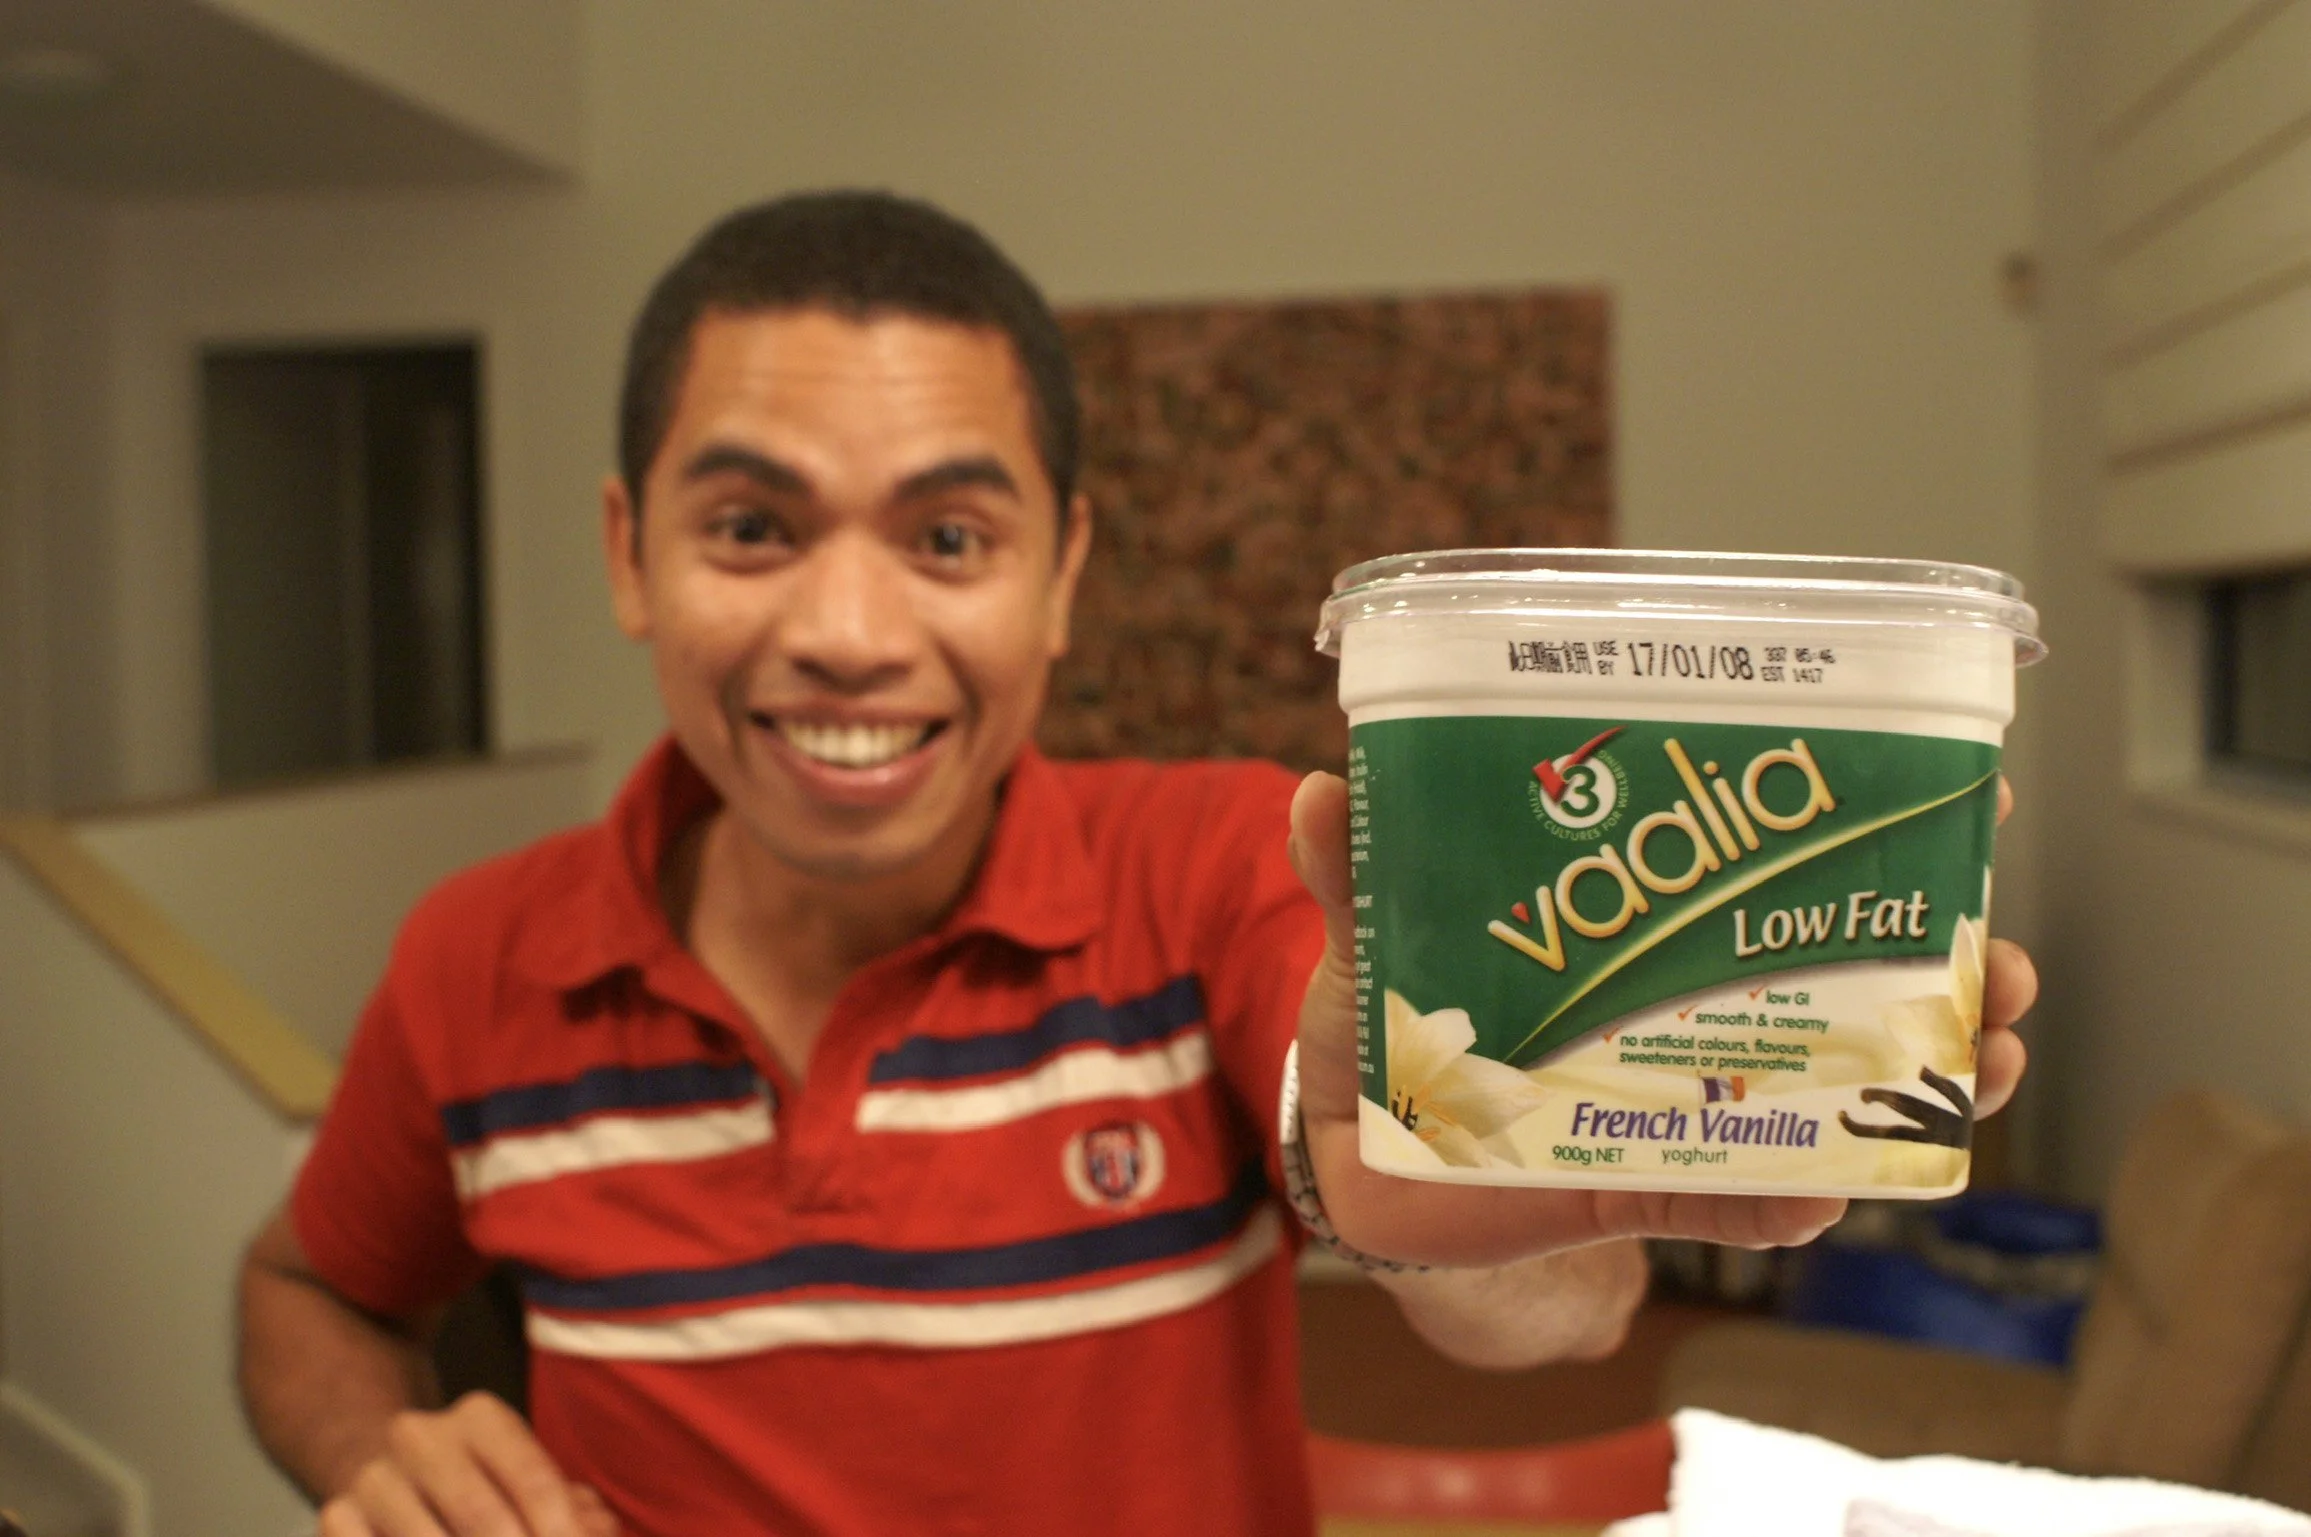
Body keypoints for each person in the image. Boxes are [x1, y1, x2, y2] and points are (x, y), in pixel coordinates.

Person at [236, 191, 2038, 1537]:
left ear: (1061, 574)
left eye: (948, 534)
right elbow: (306, 1288)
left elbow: (1546, 1308)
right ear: (632, 556)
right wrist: (366, 1442)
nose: (848, 630)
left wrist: (1448, 1178)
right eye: (750, 528)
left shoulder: (1200, 868)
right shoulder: (477, 956)